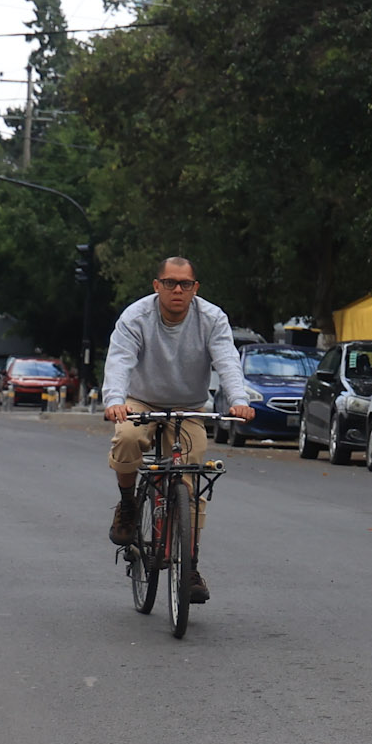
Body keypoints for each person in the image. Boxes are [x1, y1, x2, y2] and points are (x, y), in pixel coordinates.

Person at [103, 257, 256, 602]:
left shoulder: (212, 318)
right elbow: (119, 360)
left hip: (188, 407)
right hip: (141, 401)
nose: (177, 290)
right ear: (156, 285)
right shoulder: (136, 317)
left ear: (195, 289)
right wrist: (115, 400)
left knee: (192, 476)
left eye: (185, 284)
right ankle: (128, 503)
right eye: (170, 283)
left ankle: (189, 564)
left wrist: (239, 400)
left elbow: (227, 361)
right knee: (126, 438)